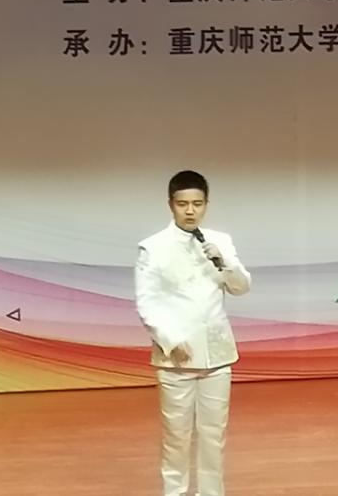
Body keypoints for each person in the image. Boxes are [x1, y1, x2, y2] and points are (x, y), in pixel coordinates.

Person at [135, 170, 251, 496]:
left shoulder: (220, 242)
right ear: (170, 204)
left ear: (206, 204)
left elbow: (241, 287)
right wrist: (170, 341)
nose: (190, 211)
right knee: (176, 434)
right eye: (183, 204)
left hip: (217, 353)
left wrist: (224, 263)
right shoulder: (152, 247)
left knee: (214, 433)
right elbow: (147, 303)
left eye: (197, 204)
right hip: (176, 357)